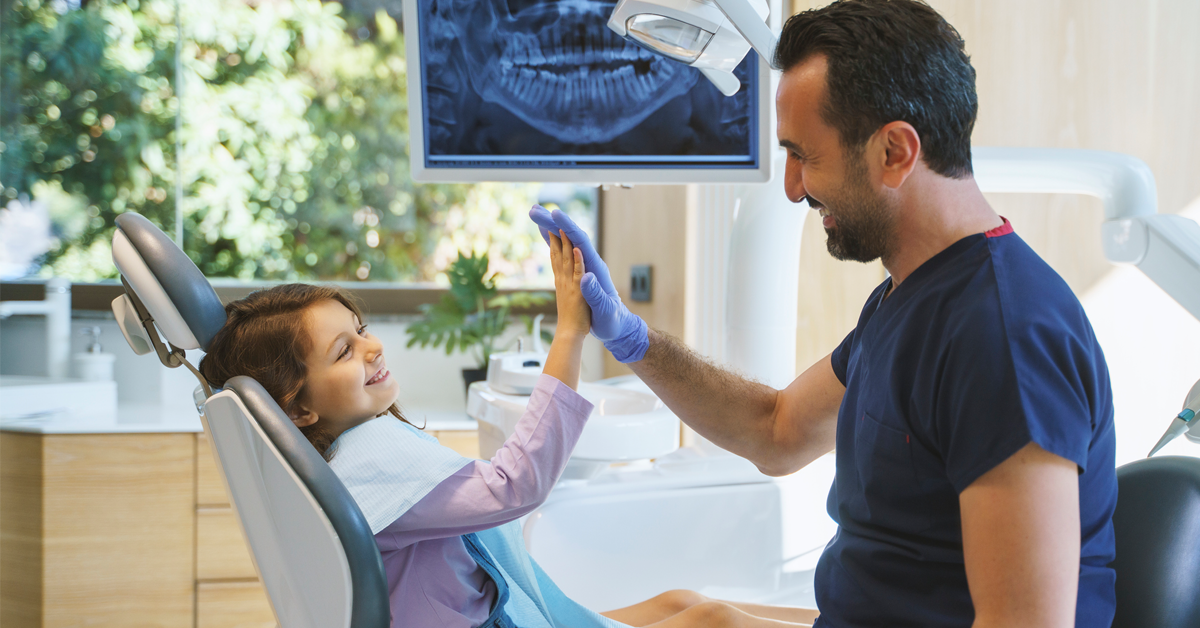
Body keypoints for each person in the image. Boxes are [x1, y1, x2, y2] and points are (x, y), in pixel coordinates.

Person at [530, 1, 1117, 627]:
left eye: (804, 156)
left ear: (895, 151)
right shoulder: (909, 296)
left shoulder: (1003, 337)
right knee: (689, 610)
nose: (791, 187)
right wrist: (632, 338)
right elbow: (777, 428)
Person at [198, 230, 821, 628]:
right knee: (710, 619)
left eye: (360, 329)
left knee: (682, 602)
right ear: (298, 408)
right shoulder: (368, 459)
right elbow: (513, 486)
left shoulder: (350, 458)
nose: (369, 347)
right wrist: (571, 328)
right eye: (342, 352)